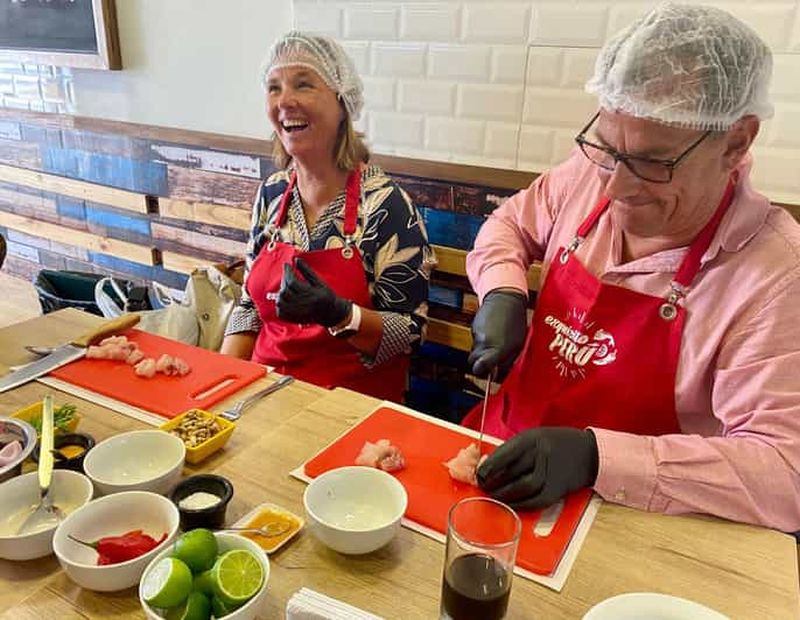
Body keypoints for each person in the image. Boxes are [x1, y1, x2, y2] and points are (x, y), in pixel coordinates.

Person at [465, 3, 800, 532]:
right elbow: (508, 226)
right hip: (500, 456)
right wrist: (502, 291)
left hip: (630, 520)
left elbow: (785, 474)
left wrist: (596, 458)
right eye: (607, 148)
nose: (616, 187)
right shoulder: (589, 173)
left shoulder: (776, 274)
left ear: (736, 142)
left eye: (652, 162)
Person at [222, 32, 434, 403]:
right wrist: (222, 382)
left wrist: (340, 315)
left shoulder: (387, 206)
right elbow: (249, 307)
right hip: (262, 395)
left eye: (303, 85)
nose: (285, 101)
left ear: (342, 103)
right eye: (274, 88)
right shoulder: (272, 194)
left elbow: (410, 333)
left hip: (348, 408)